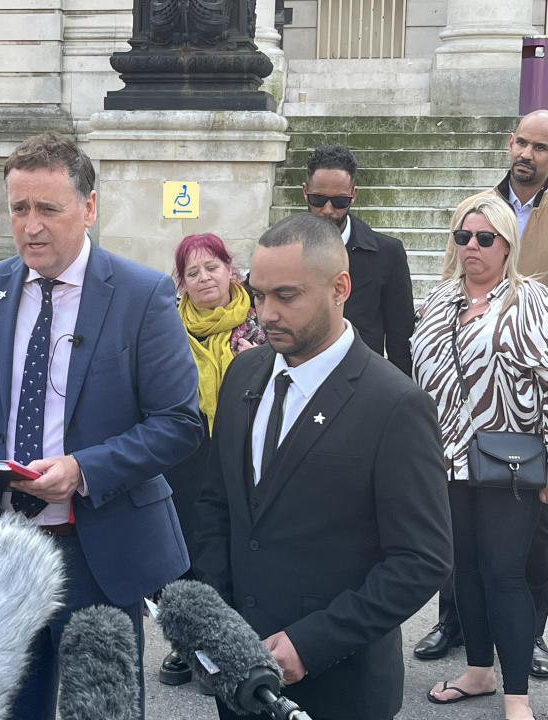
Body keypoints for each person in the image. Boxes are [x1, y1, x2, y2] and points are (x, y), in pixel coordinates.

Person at [0, 132, 202, 720]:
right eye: (18, 208)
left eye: (47, 208)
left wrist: (83, 469)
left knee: (101, 710)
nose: (30, 225)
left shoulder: (140, 293)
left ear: (89, 207)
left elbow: (180, 422)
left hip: (95, 549)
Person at [193, 212, 453, 720]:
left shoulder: (395, 403)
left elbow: (422, 561)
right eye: (258, 293)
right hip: (241, 678)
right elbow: (216, 504)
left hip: (343, 687)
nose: (265, 313)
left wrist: (310, 644)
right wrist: (220, 622)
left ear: (340, 287)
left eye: (286, 296)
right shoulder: (245, 371)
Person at [413, 196, 548, 720]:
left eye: (485, 237)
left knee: (505, 573)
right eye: (463, 236)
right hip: (446, 459)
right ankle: (478, 671)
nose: (472, 246)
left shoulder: (528, 299)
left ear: (506, 243)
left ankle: (516, 695)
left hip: (509, 460)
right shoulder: (439, 300)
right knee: (463, 570)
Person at [159, 232, 265, 687]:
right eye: (192, 272)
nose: (204, 278)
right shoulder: (166, 327)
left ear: (230, 270)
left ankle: (229, 645)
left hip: (244, 453)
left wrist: (260, 364)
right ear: (181, 283)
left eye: (212, 267)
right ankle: (188, 646)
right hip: (186, 453)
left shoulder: (261, 323)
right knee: (184, 550)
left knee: (231, 548)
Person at [302, 143, 415, 375]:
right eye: (318, 199)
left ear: (353, 195)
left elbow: (400, 339)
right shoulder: (284, 249)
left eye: (339, 201)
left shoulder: (387, 253)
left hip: (364, 383)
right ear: (305, 191)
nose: (328, 210)